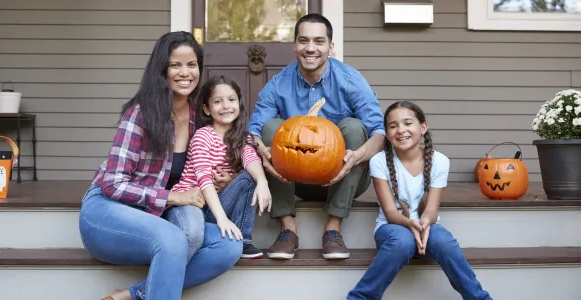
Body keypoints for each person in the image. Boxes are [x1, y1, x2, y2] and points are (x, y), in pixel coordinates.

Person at [78, 31, 248, 300]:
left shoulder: (197, 117)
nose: (185, 72)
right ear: (162, 70)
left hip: (161, 213)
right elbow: (112, 183)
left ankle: (133, 294)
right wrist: (173, 196)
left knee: (229, 245)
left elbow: (207, 157)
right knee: (173, 240)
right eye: (175, 65)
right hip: (109, 212)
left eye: (192, 65)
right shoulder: (141, 114)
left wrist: (225, 176)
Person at [248, 13, 386, 260]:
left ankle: (333, 228)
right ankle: (287, 230)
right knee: (271, 128)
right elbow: (254, 132)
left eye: (319, 41)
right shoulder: (279, 83)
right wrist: (262, 151)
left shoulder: (351, 80)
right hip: (293, 179)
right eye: (304, 41)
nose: (310, 48)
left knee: (354, 127)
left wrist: (356, 156)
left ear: (331, 46)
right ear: (295, 45)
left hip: (343, 176)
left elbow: (379, 135)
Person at [346, 101, 492, 300]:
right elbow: (390, 213)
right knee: (402, 241)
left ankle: (478, 297)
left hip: (427, 230)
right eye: (393, 126)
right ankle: (360, 297)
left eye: (408, 123)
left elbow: (431, 210)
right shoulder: (378, 161)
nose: (401, 130)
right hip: (392, 229)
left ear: (423, 127)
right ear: (387, 134)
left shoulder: (440, 161)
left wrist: (423, 224)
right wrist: (409, 224)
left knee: (443, 240)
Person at [171, 74, 272, 259]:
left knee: (251, 177)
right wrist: (222, 218)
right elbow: (204, 180)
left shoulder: (244, 137)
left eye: (231, 100)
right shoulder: (203, 136)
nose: (226, 106)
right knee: (192, 232)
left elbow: (251, 159)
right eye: (218, 101)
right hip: (193, 203)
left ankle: (244, 241)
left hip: (218, 203)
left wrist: (262, 182)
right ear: (207, 109)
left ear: (238, 103)